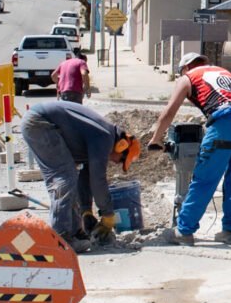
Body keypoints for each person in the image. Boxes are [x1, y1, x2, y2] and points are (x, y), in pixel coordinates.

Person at [148, 53, 231, 245]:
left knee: (205, 179)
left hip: (225, 125)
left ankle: (184, 230)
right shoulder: (221, 71)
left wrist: (156, 139)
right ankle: (230, 231)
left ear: (185, 68)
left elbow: (169, 112)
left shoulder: (187, 77)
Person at [21, 100, 141, 252]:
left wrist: (86, 211)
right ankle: (61, 238)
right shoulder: (105, 137)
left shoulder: (103, 137)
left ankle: (74, 232)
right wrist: (107, 213)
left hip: (41, 123)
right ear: (122, 146)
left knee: (70, 176)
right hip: (41, 123)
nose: (116, 163)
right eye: (121, 160)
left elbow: (86, 176)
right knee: (64, 178)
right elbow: (98, 179)